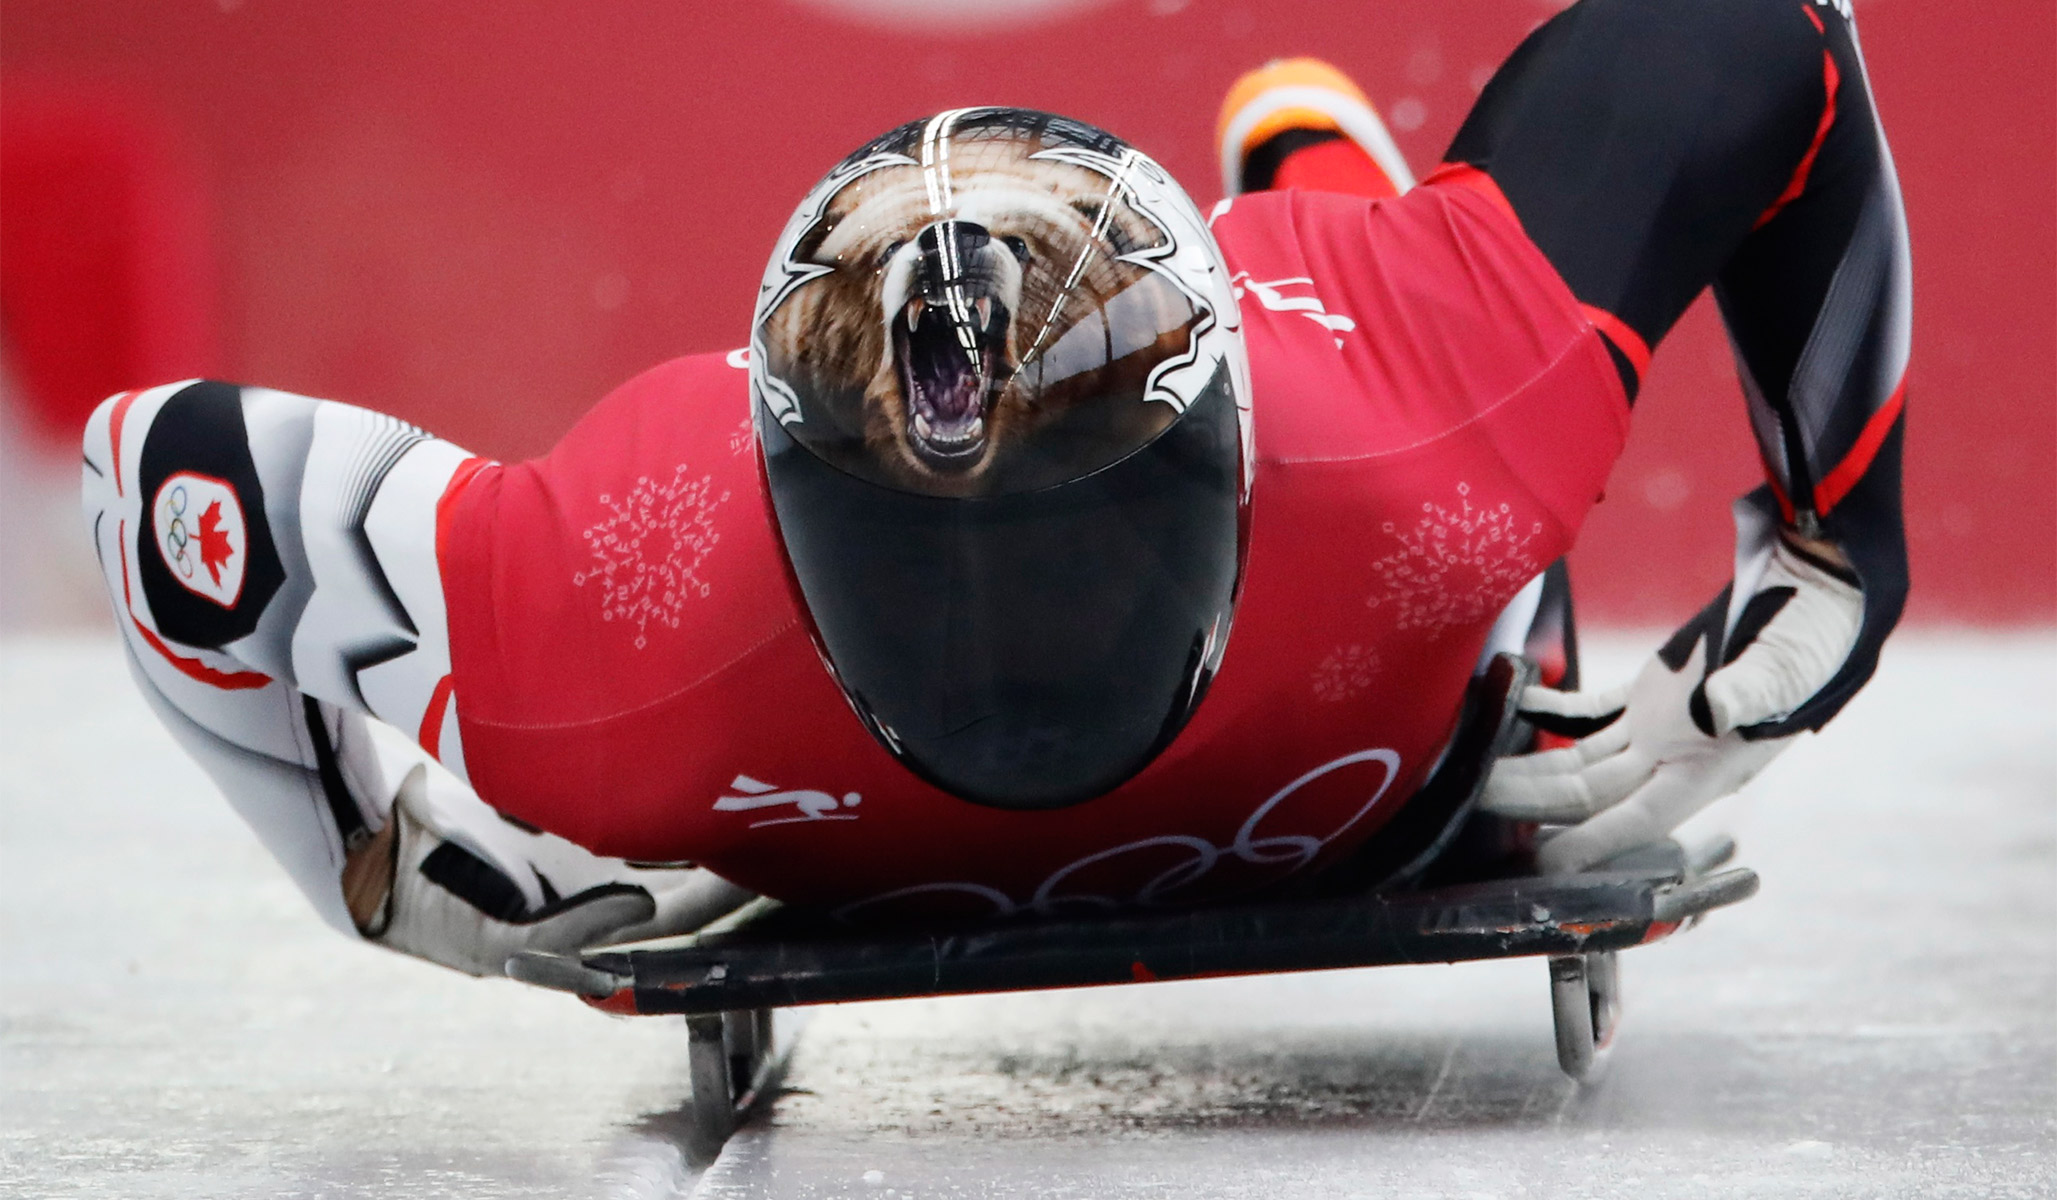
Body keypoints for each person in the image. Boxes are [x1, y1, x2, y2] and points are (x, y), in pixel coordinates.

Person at [81, 0, 1906, 981]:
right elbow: (155, 473)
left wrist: (1841, 548)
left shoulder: (1428, 416)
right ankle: (1310, 176)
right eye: (915, 564)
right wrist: (370, 860)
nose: (1005, 645)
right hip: (1379, 696)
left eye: (1082, 554)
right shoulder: (603, 629)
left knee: (1430, 425)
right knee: (1460, 499)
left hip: (1349, 364)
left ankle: (1315, 185)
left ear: (1227, 470)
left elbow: (1774, 36)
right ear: (784, 523)